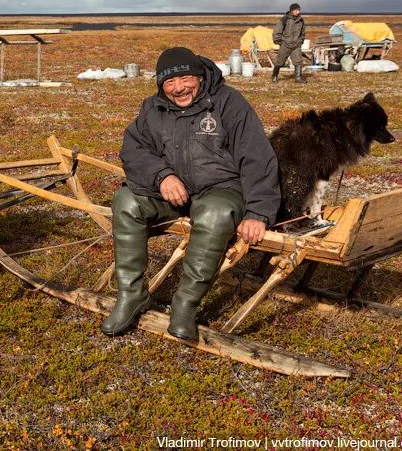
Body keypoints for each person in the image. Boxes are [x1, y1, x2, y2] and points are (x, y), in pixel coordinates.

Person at [101, 47, 281, 342]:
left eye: (185, 78)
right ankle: (131, 296)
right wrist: (163, 176)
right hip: (173, 193)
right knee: (126, 201)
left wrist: (258, 213)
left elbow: (257, 158)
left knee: (215, 213)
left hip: (221, 189)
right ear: (161, 86)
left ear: (199, 76)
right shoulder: (152, 108)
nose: (178, 88)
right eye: (169, 83)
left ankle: (184, 305)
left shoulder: (229, 103)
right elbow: (133, 150)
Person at [272, 3, 306, 83]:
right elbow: (277, 31)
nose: (298, 12)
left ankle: (298, 78)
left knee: (298, 61)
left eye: (298, 10)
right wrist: (279, 42)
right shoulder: (284, 19)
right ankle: (274, 76)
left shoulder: (301, 20)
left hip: (296, 45)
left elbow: (302, 33)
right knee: (280, 62)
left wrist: (300, 41)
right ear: (291, 11)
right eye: (296, 10)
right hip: (285, 44)